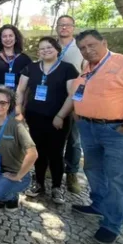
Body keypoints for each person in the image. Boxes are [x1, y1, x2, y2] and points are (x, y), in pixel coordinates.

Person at [71, 30, 123, 244]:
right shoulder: (87, 69)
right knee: (93, 169)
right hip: (89, 129)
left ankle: (112, 223)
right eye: (82, 48)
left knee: (118, 178)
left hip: (116, 131)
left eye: (91, 45)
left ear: (104, 42)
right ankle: (99, 205)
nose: (87, 50)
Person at [16, 37, 79, 205]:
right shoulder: (31, 68)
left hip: (58, 119)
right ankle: (38, 183)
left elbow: (72, 95)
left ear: (57, 49)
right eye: (42, 48)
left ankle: (57, 187)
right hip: (35, 117)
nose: (45, 50)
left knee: (56, 153)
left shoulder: (68, 69)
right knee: (38, 151)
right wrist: (19, 109)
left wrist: (60, 116)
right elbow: (21, 90)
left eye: (49, 47)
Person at [0, 86, 38, 210]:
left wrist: (18, 176)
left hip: (15, 173)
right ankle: (2, 193)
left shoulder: (17, 126)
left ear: (9, 105)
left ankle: (12, 197)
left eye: (3, 102)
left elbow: (33, 154)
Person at [56, 15, 85, 194]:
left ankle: (72, 173)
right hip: (53, 98)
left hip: (74, 99)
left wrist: (79, 101)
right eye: (61, 25)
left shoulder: (80, 48)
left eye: (67, 25)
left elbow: (86, 75)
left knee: (74, 139)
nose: (64, 28)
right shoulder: (51, 46)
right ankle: (51, 165)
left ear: (73, 27)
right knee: (52, 136)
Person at [0, 24, 32, 90]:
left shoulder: (25, 59)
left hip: (17, 93)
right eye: (4, 36)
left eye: (10, 36)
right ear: (0, 39)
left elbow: (28, 83)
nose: (8, 39)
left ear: (16, 38)